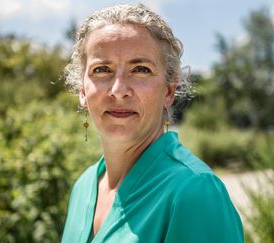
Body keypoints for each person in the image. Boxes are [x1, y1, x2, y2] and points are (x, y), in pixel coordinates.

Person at [62, 4, 243, 243]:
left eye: (140, 69)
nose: (118, 90)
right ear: (82, 91)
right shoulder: (83, 187)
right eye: (102, 69)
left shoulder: (193, 191)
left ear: (169, 91)